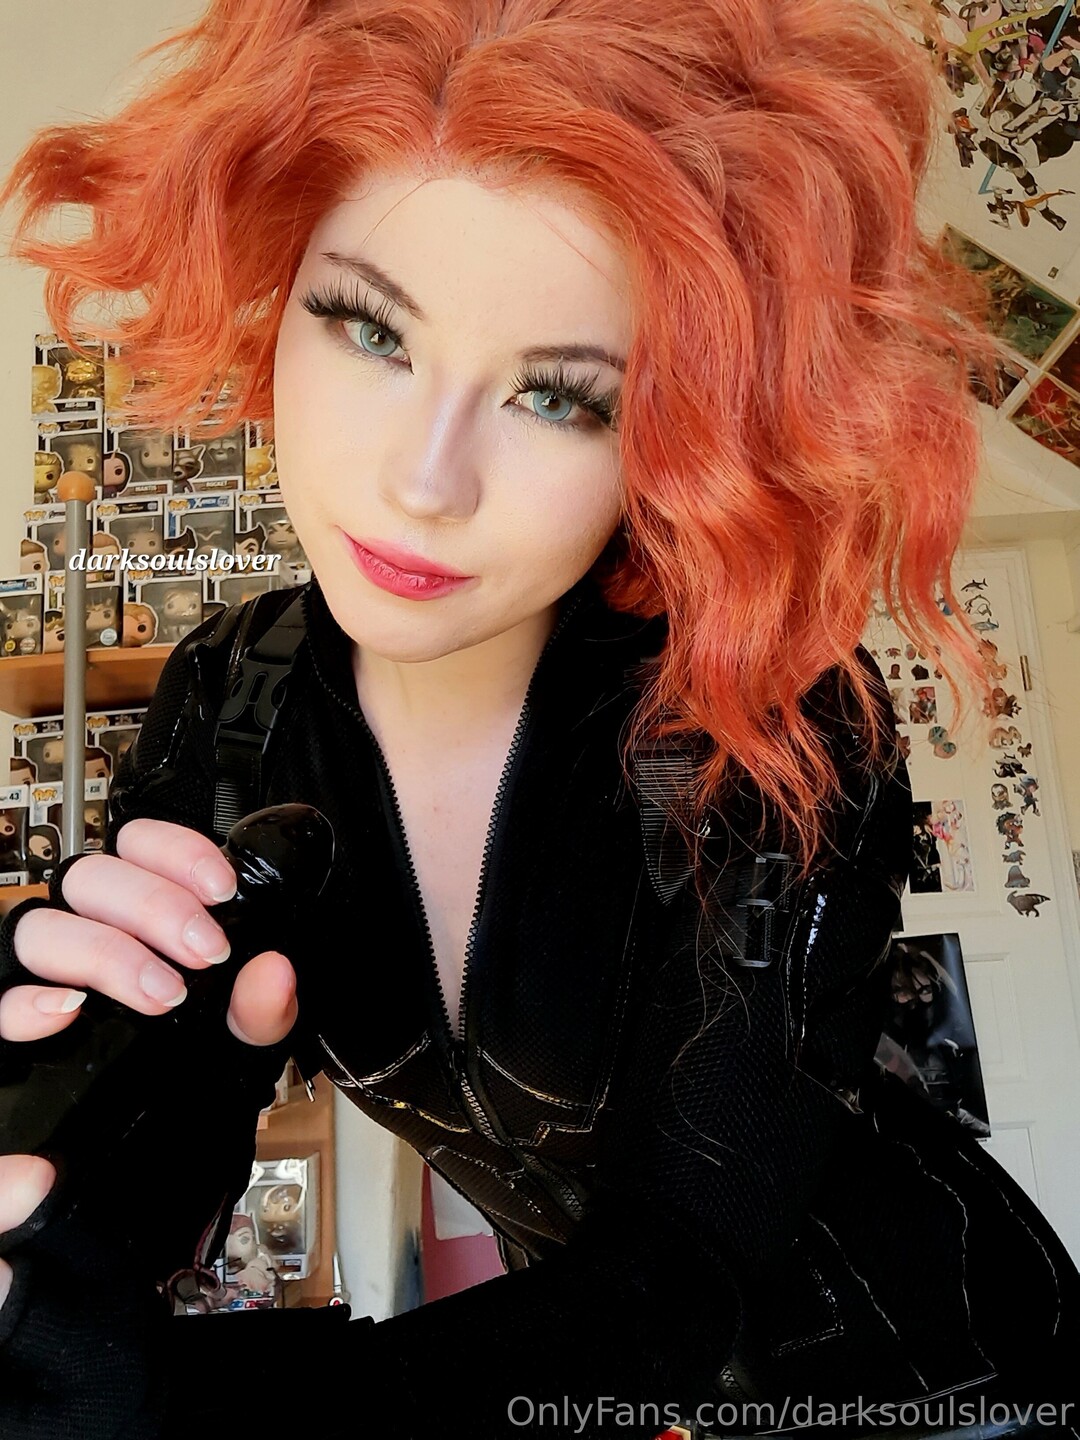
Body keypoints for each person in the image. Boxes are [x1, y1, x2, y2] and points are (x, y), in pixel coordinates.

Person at [0, 1, 1078, 1436]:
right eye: (369, 328)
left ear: (678, 435)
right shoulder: (229, 695)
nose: (423, 483)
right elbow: (178, 1100)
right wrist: (45, 1120)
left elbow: (682, 1273)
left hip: (952, 1383)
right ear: (276, 287)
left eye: (561, 399)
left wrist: (180, 1412)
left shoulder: (768, 718)